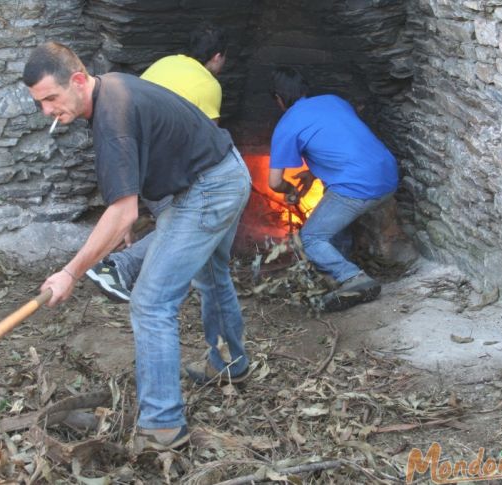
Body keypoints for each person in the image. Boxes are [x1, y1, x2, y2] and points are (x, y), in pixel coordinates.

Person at [22, 42, 251, 451]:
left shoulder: (112, 116)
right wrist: (131, 206)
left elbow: (122, 212)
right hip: (223, 171)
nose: (47, 112)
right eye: (40, 103)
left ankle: (162, 425)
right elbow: (146, 160)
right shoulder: (111, 89)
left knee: (151, 302)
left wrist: (70, 272)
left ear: (77, 80)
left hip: (209, 190)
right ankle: (229, 364)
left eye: (51, 98)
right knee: (212, 276)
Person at [85, 22, 228, 303]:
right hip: (161, 166)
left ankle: (174, 268)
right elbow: (209, 145)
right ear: (218, 57)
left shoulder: (165, 63)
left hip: (129, 160)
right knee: (190, 224)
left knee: (180, 221)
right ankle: (117, 266)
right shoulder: (209, 85)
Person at [268, 67, 398, 307]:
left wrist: (290, 191)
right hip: (389, 175)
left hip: (358, 187)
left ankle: (352, 277)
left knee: (311, 238)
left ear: (278, 98)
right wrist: (310, 173)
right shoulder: (335, 101)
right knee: (330, 204)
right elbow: (342, 144)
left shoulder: (286, 125)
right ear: (305, 89)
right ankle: (338, 265)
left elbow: (275, 182)